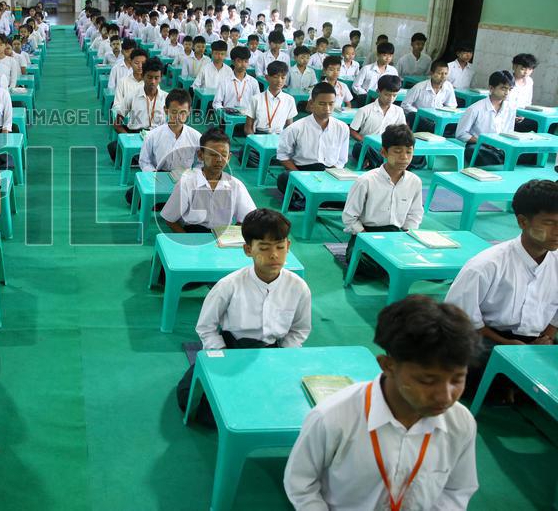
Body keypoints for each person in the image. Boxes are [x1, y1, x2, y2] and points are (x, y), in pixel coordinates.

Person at [283, 295, 480, 511]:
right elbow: (301, 484)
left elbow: (457, 490)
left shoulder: (461, 422)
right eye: (427, 381)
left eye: (457, 380)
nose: (445, 396)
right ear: (388, 366)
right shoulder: (332, 418)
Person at [176, 208, 311, 426]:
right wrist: (222, 355)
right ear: (248, 250)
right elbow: (206, 327)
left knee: (293, 404)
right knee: (191, 398)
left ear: (288, 246)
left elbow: (299, 330)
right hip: (231, 348)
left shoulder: (298, 287)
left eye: (280, 247)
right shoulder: (229, 285)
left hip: (272, 352)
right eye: (264, 248)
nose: (274, 255)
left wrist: (283, 357)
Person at [445, 179, 558, 399]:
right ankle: (515, 387)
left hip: (538, 339)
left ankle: (512, 386)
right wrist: (508, 345)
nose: (557, 231)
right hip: (490, 338)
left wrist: (546, 338)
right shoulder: (485, 265)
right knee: (460, 357)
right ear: (522, 221)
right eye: (549, 223)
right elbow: (461, 321)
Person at [342, 125, 423, 279]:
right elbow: (349, 217)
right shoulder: (365, 181)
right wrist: (366, 237)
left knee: (425, 257)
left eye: (409, 152)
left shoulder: (415, 182)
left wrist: (405, 237)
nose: (404, 157)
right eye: (397, 151)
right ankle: (392, 267)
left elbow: (415, 214)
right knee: (358, 261)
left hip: (396, 234)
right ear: (384, 152)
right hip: (367, 233)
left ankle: (392, 266)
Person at [160, 128, 255, 234]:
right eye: (213, 154)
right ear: (200, 155)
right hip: (193, 232)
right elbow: (170, 220)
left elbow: (248, 219)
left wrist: (231, 236)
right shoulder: (187, 183)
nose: (219, 160)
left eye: (223, 155)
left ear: (229, 157)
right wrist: (187, 240)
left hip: (222, 234)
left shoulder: (236, 185)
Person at [276, 82, 350, 210]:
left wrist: (332, 175)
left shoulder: (342, 128)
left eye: (331, 104)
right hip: (303, 171)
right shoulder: (295, 128)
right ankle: (324, 201)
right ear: (311, 104)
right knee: (284, 178)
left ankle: (310, 201)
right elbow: (283, 156)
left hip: (329, 173)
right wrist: (299, 176)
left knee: (355, 186)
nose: (327, 108)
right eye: (322, 104)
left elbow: (341, 160)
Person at [454, 70, 515, 167]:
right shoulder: (475, 109)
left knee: (530, 153)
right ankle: (503, 160)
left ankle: (501, 158)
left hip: (502, 147)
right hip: (481, 145)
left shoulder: (511, 109)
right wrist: (483, 141)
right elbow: (461, 134)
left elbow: (510, 132)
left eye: (510, 89)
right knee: (472, 151)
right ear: (491, 88)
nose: (507, 93)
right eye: (503, 88)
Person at [349, 74, 406, 170]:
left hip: (388, 147)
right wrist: (365, 140)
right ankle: (388, 162)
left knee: (414, 153)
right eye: (387, 94)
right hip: (368, 145)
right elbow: (352, 130)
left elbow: (402, 131)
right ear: (378, 91)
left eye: (394, 95)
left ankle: (373, 161)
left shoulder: (399, 111)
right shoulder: (365, 110)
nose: (391, 99)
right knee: (359, 147)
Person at [138, 89, 201, 173]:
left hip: (185, 177)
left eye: (183, 112)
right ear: (166, 110)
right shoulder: (152, 136)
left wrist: (193, 174)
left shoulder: (197, 137)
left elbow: (200, 163)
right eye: (174, 112)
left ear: (189, 111)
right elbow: (144, 162)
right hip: (158, 175)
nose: (178, 117)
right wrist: (154, 174)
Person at [401, 60, 457, 130]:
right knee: (418, 119)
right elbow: (405, 104)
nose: (443, 77)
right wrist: (420, 113)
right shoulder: (419, 87)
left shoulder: (448, 86)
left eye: (446, 73)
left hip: (438, 119)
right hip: (422, 119)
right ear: (431, 73)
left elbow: (452, 106)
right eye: (440, 73)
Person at [245, 61, 296, 137]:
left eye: (283, 77)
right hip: (258, 136)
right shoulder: (256, 99)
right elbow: (248, 128)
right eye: (275, 77)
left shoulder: (289, 100)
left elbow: (289, 127)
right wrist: (254, 140)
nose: (279, 81)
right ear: (267, 78)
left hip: (279, 137)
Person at [212, 46, 259, 119]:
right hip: (229, 117)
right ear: (233, 62)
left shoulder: (253, 82)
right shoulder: (224, 81)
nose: (243, 64)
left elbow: (257, 102)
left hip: (248, 118)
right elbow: (216, 103)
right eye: (239, 61)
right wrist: (224, 114)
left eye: (246, 61)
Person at [510, 53, 538, 132]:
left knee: (543, 124)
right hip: (506, 115)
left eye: (530, 69)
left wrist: (524, 115)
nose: (526, 72)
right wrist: (512, 116)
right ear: (514, 66)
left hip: (522, 115)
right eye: (523, 69)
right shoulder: (506, 79)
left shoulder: (529, 81)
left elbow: (528, 102)